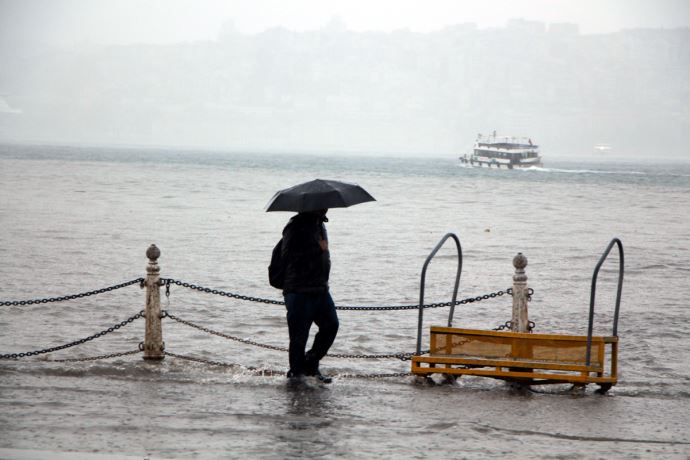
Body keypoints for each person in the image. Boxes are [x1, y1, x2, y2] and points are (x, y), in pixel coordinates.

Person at [281, 208, 339, 383]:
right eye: (323, 204)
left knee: (331, 326)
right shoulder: (294, 226)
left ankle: (311, 362)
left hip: (320, 288)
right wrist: (316, 249)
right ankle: (296, 375)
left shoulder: (320, 224)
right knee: (299, 336)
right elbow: (287, 256)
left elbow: (323, 256)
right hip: (299, 289)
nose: (326, 207)